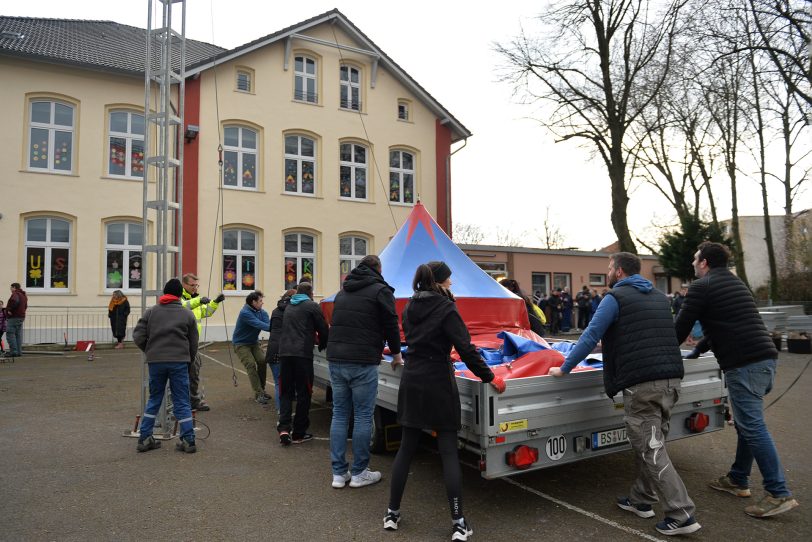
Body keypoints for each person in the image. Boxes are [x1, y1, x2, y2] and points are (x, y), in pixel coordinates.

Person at [549, 252, 701, 536]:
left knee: (651, 448)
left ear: (618, 271)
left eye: (608, 267)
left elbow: (591, 335)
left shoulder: (614, 298)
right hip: (671, 380)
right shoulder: (658, 297)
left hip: (643, 385)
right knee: (653, 444)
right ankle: (641, 499)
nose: (607, 272)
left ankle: (681, 514)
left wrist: (565, 368)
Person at [384, 261, 506, 542]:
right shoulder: (446, 307)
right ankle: (458, 522)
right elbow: (466, 348)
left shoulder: (410, 306)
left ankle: (392, 512)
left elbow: (414, 339)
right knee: (448, 451)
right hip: (438, 381)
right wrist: (489, 377)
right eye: (449, 280)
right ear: (439, 282)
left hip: (413, 379)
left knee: (407, 448)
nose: (452, 284)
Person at [675, 241, 799, 518]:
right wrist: (698, 350)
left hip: (744, 365)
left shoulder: (701, 287)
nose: (693, 263)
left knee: (753, 427)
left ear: (704, 262)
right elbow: (728, 324)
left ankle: (778, 493)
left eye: (696, 259)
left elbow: (680, 328)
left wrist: (660, 351)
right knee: (747, 424)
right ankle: (738, 479)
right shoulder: (735, 283)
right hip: (766, 360)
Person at [327, 255, 402, 489]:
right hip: (362, 362)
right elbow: (390, 323)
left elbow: (346, 324)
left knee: (340, 414)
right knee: (361, 416)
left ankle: (339, 474)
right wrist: (397, 354)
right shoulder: (381, 291)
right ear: (378, 269)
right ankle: (359, 472)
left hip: (336, 359)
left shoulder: (342, 293)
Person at [132, 278, 199, 454]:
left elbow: (138, 335)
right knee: (182, 400)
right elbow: (194, 343)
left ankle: (145, 437)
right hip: (179, 362)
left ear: (164, 293)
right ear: (179, 295)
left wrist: (150, 350)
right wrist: (188, 360)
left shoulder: (152, 312)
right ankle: (188, 439)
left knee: (154, 398)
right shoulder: (187, 314)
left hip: (156, 362)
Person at [277, 281, 329, 445]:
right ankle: (299, 432)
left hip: (284, 354)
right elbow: (323, 328)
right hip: (302, 355)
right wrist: (322, 343)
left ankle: (284, 428)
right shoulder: (312, 306)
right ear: (310, 293)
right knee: (304, 393)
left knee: (286, 392)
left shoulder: (289, 306)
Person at [180, 273, 225, 411]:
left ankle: (193, 401)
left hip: (193, 345)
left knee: (194, 374)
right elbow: (184, 306)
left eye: (196, 285)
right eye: (192, 285)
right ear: (184, 285)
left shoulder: (195, 299)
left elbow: (207, 312)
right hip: (182, 344)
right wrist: (199, 301)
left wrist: (215, 302)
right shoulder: (180, 297)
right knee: (183, 376)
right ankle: (184, 403)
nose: (195, 288)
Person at [232, 291, 273, 405]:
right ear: (253, 302)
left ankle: (262, 390)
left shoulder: (262, 312)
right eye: (260, 301)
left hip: (253, 343)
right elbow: (259, 324)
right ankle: (258, 393)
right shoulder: (245, 313)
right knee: (250, 364)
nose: (262, 303)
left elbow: (268, 324)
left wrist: (275, 327)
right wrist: (276, 328)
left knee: (262, 361)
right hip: (241, 344)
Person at [264, 289, 296, 411]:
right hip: (285, 350)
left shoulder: (275, 311)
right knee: (284, 383)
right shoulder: (292, 311)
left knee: (279, 382)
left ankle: (280, 410)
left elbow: (271, 329)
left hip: (273, 349)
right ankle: (283, 411)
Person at [4, 283, 27, 359]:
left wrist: (10, 310)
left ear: (14, 287)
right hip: (21, 316)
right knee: (18, 335)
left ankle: (13, 352)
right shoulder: (24, 295)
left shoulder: (15, 294)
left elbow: (14, 302)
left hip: (14, 317)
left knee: (10, 334)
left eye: (11, 288)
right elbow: (25, 306)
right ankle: (18, 352)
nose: (10, 289)